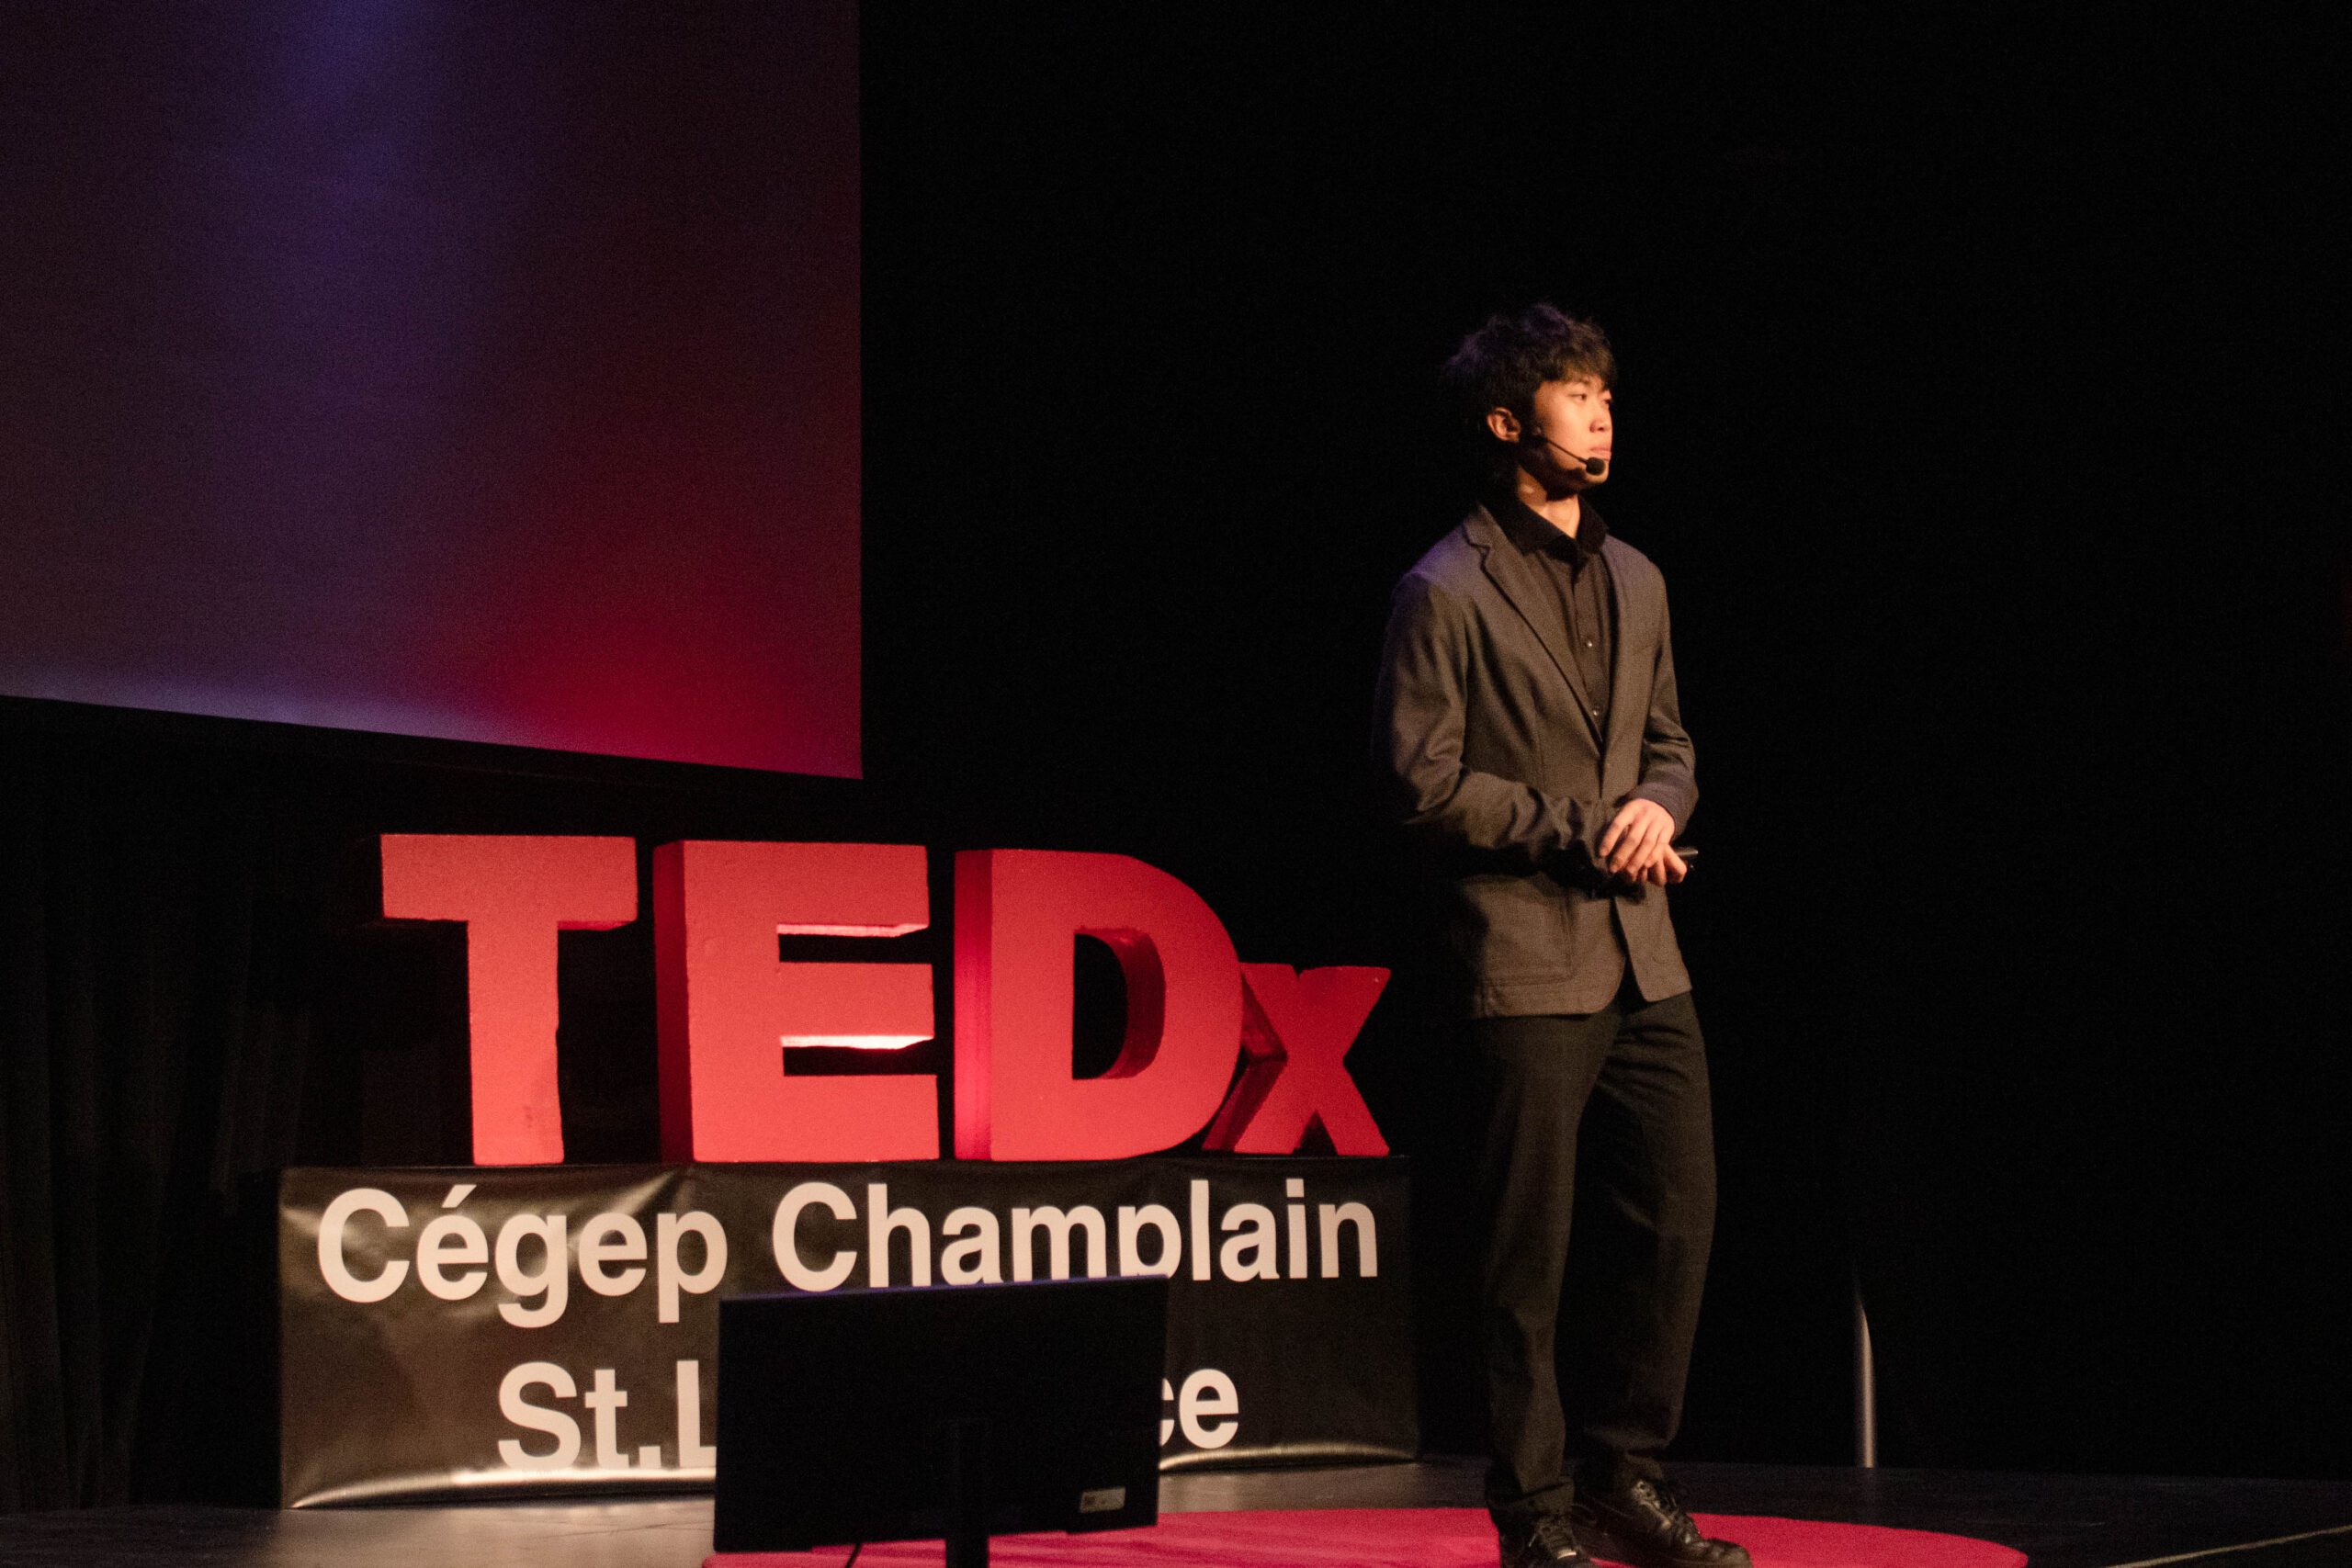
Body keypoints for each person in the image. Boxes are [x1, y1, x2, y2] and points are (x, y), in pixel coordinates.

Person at [1372, 305, 1747, 1568]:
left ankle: (1623, 1473)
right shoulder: (1444, 587)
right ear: (1506, 424)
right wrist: (1588, 827)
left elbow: (1675, 745)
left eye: (1602, 392)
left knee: (1675, 1221)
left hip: (1649, 958)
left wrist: (1658, 804)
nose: (1598, 411)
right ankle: (1531, 1511)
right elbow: (1423, 785)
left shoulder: (1638, 577)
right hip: (1525, 957)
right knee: (1526, 1253)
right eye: (1572, 393)